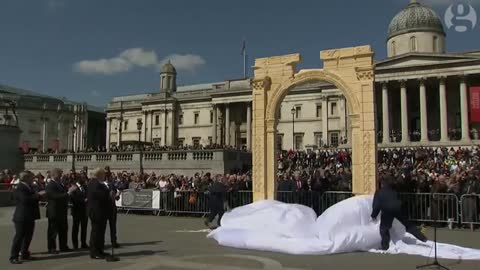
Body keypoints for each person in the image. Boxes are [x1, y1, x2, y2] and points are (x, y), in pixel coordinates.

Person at [371, 174, 427, 250]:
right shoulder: (394, 189)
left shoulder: (379, 192)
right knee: (408, 224)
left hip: (387, 210)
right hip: (398, 208)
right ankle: (422, 237)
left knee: (384, 228)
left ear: (382, 183)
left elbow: (376, 205)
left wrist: (373, 215)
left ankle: (385, 246)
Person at [9, 171, 44, 264]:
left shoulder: (29, 186)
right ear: (26, 178)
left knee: (28, 236)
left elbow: (33, 197)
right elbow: (25, 199)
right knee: (19, 237)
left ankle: (24, 253)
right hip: (22, 216)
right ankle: (13, 256)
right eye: (31, 177)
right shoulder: (20, 187)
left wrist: (39, 195)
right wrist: (38, 195)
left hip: (30, 216)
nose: (33, 179)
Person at [46, 168, 76, 254]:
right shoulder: (51, 185)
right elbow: (55, 196)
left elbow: (64, 195)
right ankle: (51, 248)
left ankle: (63, 246)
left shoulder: (60, 184)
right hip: (54, 211)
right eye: (60, 174)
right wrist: (68, 193)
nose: (61, 176)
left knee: (63, 230)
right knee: (53, 231)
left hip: (62, 211)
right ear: (55, 175)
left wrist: (69, 194)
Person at [87, 168, 112, 259]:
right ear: (99, 175)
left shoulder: (98, 183)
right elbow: (99, 195)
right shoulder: (94, 183)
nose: (105, 176)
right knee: (96, 232)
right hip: (96, 211)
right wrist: (108, 193)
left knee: (101, 232)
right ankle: (94, 251)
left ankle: (100, 250)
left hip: (101, 211)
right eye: (103, 174)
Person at [70, 174, 89, 250]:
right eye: (83, 178)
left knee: (84, 228)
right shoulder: (74, 187)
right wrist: (83, 201)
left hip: (84, 211)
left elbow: (88, 195)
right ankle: (75, 244)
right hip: (76, 210)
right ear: (79, 179)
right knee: (75, 228)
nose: (84, 180)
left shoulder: (85, 187)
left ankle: (83, 243)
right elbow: (73, 199)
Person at [105, 166, 120, 248]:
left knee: (113, 226)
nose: (108, 176)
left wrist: (117, 196)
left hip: (112, 207)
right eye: (106, 174)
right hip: (105, 207)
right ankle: (101, 242)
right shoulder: (102, 184)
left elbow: (115, 196)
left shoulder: (112, 184)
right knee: (103, 226)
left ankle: (114, 241)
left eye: (109, 174)